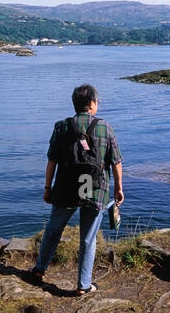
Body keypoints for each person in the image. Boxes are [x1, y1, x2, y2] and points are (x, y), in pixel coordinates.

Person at [32, 84, 124, 294]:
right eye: (97, 102)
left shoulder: (61, 126)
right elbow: (116, 162)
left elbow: (52, 162)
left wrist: (48, 188)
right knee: (88, 238)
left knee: (53, 230)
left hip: (66, 187)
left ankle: (39, 269)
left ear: (75, 104)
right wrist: (119, 188)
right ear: (92, 104)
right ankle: (83, 285)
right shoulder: (105, 127)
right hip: (96, 189)